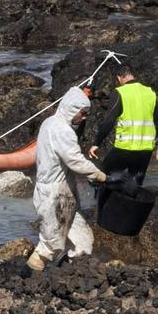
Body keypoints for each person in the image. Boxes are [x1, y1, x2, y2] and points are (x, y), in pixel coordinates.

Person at [29, 87, 105, 272]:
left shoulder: (49, 123)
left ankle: (75, 274)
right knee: (50, 246)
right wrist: (99, 175)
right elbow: (75, 161)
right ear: (72, 110)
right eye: (83, 113)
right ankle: (29, 279)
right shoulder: (62, 131)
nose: (85, 117)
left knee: (83, 241)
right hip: (55, 195)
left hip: (63, 193)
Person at [89, 70, 158, 187]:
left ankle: (102, 204)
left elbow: (109, 121)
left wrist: (96, 143)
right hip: (145, 152)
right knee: (134, 187)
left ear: (119, 77)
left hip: (123, 150)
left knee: (102, 179)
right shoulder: (150, 93)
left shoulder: (120, 92)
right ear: (133, 75)